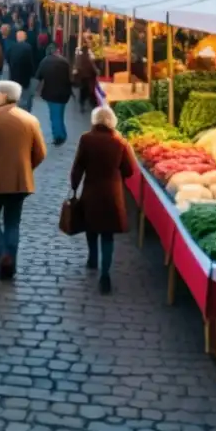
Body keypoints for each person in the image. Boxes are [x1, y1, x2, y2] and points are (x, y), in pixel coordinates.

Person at [0, 81, 47, 280]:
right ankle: (9, 262)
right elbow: (41, 152)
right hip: (20, 182)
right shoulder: (30, 120)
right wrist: (26, 169)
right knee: (13, 223)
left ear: (4, 95)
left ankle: (3, 256)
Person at [70, 106, 136, 295]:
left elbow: (78, 166)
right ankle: (105, 273)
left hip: (91, 190)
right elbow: (130, 170)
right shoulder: (120, 142)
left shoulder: (86, 139)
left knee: (91, 226)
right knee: (107, 234)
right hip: (112, 193)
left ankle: (92, 258)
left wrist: (74, 186)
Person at [35, 44, 73, 146]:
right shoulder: (64, 62)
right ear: (57, 51)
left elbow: (38, 77)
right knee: (59, 114)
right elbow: (71, 78)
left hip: (50, 93)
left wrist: (34, 91)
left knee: (54, 115)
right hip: (64, 93)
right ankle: (62, 134)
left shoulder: (44, 62)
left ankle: (59, 137)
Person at [7, 30, 36, 112]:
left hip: (14, 76)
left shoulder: (12, 47)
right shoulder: (28, 47)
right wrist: (32, 73)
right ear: (25, 38)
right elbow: (30, 63)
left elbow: (8, 59)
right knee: (26, 96)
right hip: (25, 77)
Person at [74, 42, 99, 113]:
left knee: (83, 91)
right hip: (88, 77)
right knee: (88, 90)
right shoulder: (88, 57)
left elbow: (77, 65)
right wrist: (96, 71)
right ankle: (91, 105)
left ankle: (82, 104)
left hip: (82, 77)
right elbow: (92, 66)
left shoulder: (80, 56)